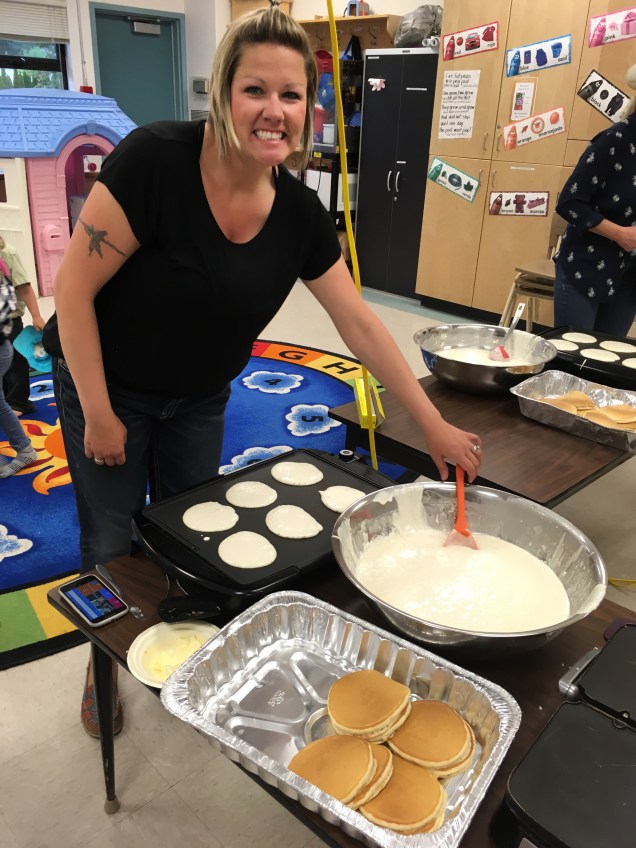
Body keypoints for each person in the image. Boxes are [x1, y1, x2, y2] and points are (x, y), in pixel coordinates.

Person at [47, 2, 482, 738]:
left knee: (193, 534)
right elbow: (72, 292)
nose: (273, 110)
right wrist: (97, 412)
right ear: (224, 92)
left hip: (197, 398)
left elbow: (360, 324)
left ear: (308, 109)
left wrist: (432, 423)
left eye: (291, 94)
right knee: (110, 543)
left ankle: (182, 653)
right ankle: (104, 670)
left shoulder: (300, 215)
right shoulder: (155, 161)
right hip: (106, 383)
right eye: (255, 89)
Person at [553, 67, 636, 335]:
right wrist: (619, 234)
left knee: (611, 356)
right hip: (586, 267)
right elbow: (569, 202)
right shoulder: (616, 139)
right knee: (574, 356)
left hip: (628, 278)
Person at [0, 257, 37, 477]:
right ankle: (24, 449)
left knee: (16, 371)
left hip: (4, 339)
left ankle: (24, 449)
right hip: (3, 340)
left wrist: (37, 315)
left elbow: (23, 289)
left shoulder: (6, 257)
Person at [0, 235, 46, 415]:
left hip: (9, 320)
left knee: (15, 362)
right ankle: (5, 399)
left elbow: (24, 287)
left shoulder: (7, 253)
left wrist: (36, 315)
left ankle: (18, 402)